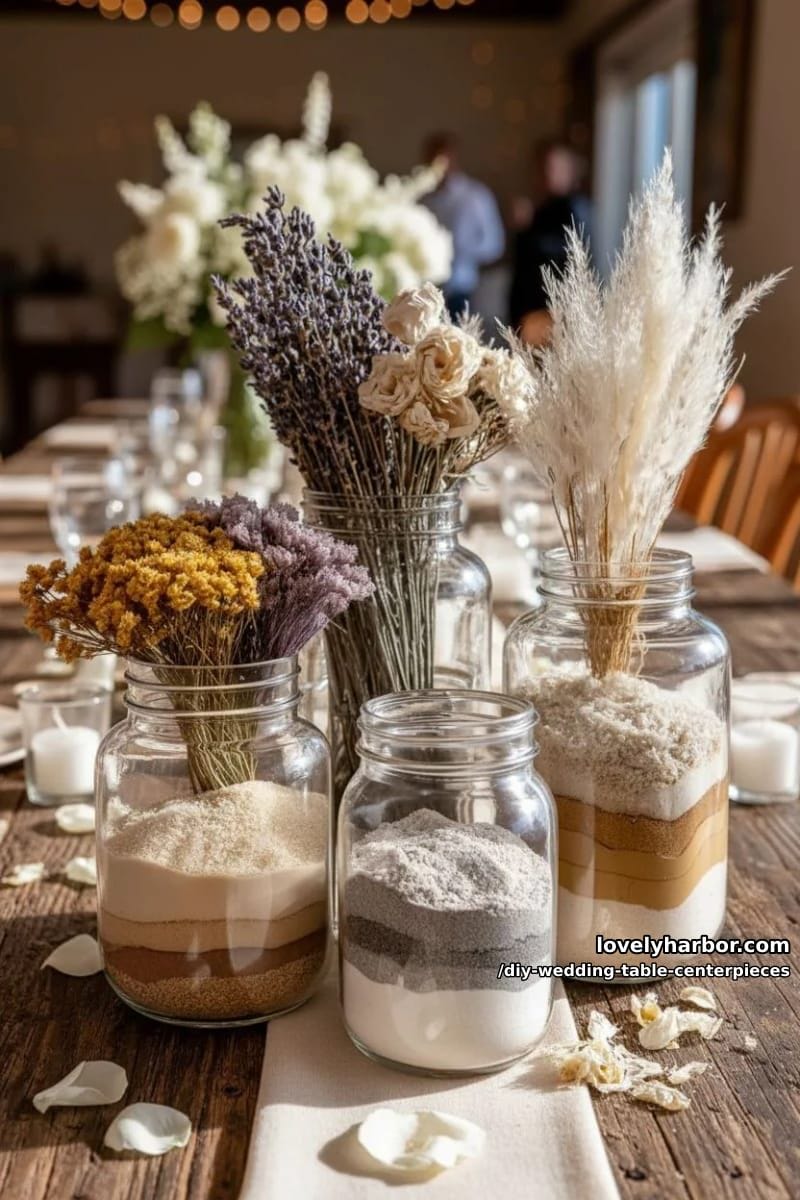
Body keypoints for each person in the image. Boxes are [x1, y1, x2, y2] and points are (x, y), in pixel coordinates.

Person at [509, 139, 592, 341]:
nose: (547, 174)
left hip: (551, 311)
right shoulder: (544, 208)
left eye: (552, 168)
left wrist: (525, 230)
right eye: (542, 168)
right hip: (531, 308)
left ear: (569, 171)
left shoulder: (575, 208)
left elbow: (567, 253)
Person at [420, 133, 505, 318]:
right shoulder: (424, 200)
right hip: (426, 291)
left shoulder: (475, 196)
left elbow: (495, 244)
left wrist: (461, 249)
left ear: (453, 158)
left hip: (463, 289)